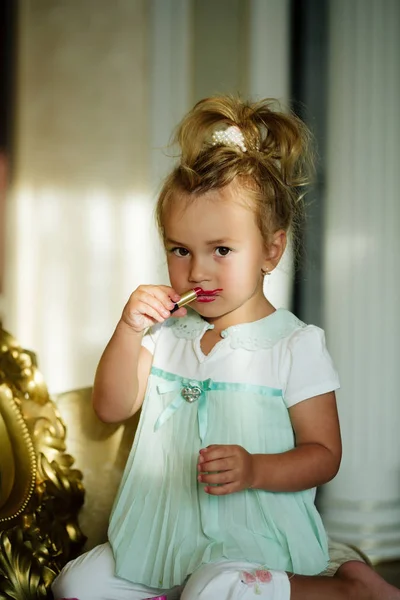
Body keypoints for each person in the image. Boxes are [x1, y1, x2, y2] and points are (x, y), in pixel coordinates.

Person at [52, 96, 400, 600]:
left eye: (221, 250)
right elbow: (109, 407)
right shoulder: (168, 335)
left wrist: (256, 467)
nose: (197, 271)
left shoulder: (294, 345)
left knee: (216, 589)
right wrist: (127, 329)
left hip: (251, 541)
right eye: (179, 250)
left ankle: (346, 591)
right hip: (164, 538)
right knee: (76, 586)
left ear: (271, 251)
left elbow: (324, 456)